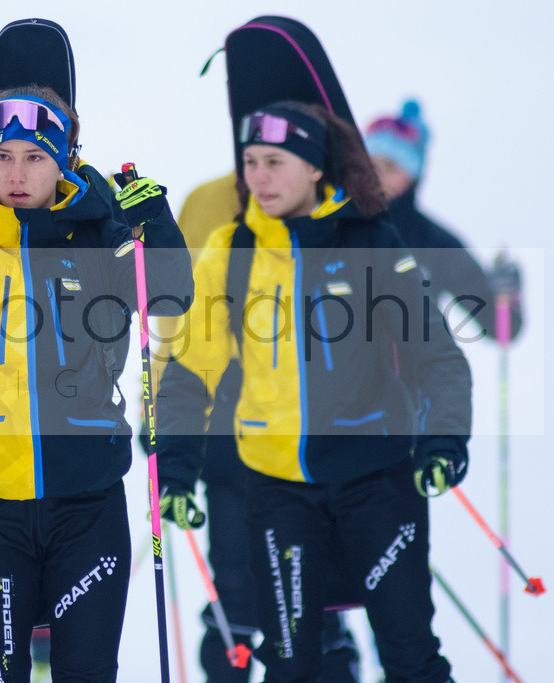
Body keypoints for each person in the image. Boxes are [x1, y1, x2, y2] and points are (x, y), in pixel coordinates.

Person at [0, 84, 192, 680]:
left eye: (35, 157)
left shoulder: (105, 236)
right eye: (2, 156)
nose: (15, 173)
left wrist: (158, 226)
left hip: (87, 503)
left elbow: (169, 301)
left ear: (65, 157)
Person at [157, 101, 471, 681]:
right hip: (277, 491)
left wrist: (443, 440)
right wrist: (173, 468)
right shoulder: (232, 251)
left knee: (410, 657)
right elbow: (186, 370)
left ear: (315, 168)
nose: (258, 177)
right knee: (289, 662)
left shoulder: (371, 240)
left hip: (376, 482)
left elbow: (438, 358)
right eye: (250, 161)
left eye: (275, 161)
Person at [164, 172, 361, 682]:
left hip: (321, 445)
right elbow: (176, 315)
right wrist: (166, 424)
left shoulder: (337, 210)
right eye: (253, 153)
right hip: (228, 439)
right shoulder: (207, 201)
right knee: (235, 596)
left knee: (318, 601)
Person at [365, 99, 523, 343]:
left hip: (410, 375)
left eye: (390, 167)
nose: (378, 176)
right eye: (370, 166)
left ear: (413, 176)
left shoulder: (434, 242)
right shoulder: (332, 224)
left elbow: (501, 329)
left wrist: (506, 297)